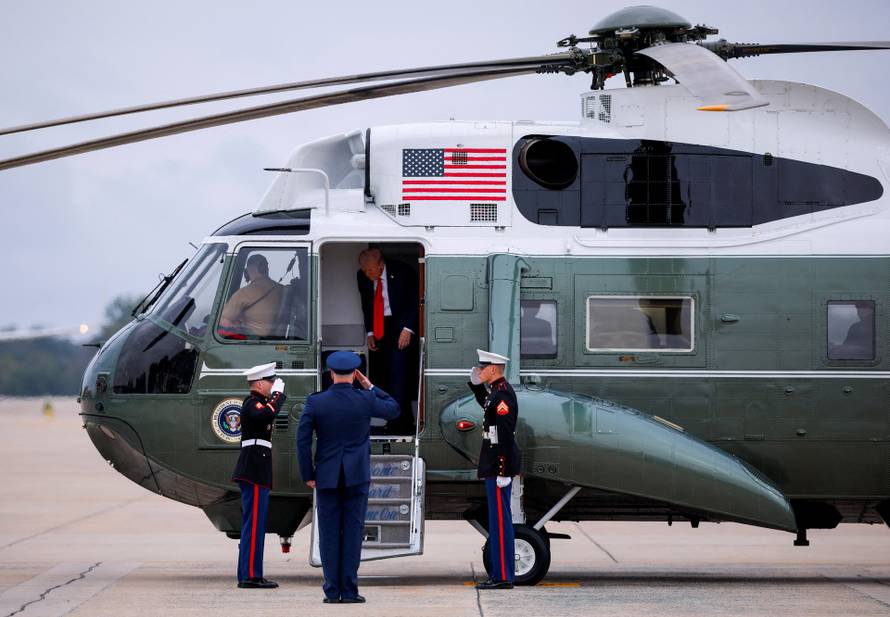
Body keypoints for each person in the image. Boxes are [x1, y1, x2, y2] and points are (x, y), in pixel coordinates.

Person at [296, 351, 400, 604]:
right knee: (353, 532)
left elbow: (302, 440)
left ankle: (332, 591)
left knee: (329, 533)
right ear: (355, 374)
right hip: (356, 476)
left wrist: (308, 474)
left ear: (331, 374)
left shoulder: (316, 402)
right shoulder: (365, 399)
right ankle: (350, 591)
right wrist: (370, 386)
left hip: (327, 476)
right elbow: (394, 410)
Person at [467, 349, 522, 590]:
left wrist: (502, 471)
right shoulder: (496, 394)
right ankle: (502, 574)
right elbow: (486, 405)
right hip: (493, 465)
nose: (479, 371)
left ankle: (502, 577)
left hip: (498, 467)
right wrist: (476, 386)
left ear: (493, 369)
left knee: (500, 523)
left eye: (482, 368)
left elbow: (505, 436)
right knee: (499, 521)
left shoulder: (503, 396)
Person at [232, 362, 286, 589]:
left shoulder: (260, 403)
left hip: (257, 470)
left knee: (255, 524)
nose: (273, 386)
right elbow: (265, 416)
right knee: (253, 525)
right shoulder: (252, 403)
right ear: (261, 383)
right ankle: (251, 576)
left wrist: (273, 398)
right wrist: (278, 396)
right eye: (271, 383)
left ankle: (251, 573)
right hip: (253, 470)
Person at [355, 248, 419, 434]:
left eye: (371, 271)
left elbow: (415, 301)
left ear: (381, 265)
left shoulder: (403, 272)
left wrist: (408, 328)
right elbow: (366, 305)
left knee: (399, 375)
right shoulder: (361, 276)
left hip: (400, 326)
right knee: (384, 376)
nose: (368, 275)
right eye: (365, 271)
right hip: (379, 327)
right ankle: (395, 421)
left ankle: (399, 425)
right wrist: (369, 332)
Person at [219, 254, 284, 338]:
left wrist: (235, 324)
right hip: (273, 338)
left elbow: (224, 321)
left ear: (247, 271)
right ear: (265, 269)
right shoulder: (281, 288)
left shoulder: (243, 293)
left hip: (253, 340)